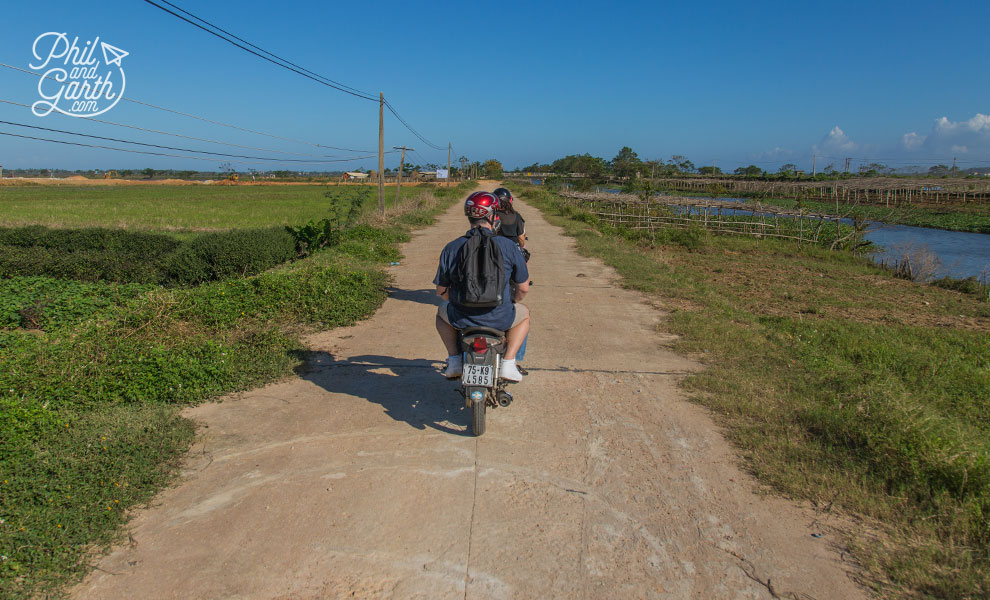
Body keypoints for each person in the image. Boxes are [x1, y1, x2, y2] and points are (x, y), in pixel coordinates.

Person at [434, 191, 530, 382]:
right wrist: (511, 301)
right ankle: (509, 362)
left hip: (462, 318)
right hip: (500, 317)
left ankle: (454, 360)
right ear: (493, 216)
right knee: (524, 314)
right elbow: (523, 288)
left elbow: (441, 291)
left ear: (469, 216)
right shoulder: (508, 246)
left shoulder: (452, 247)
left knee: (441, 313)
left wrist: (456, 301)